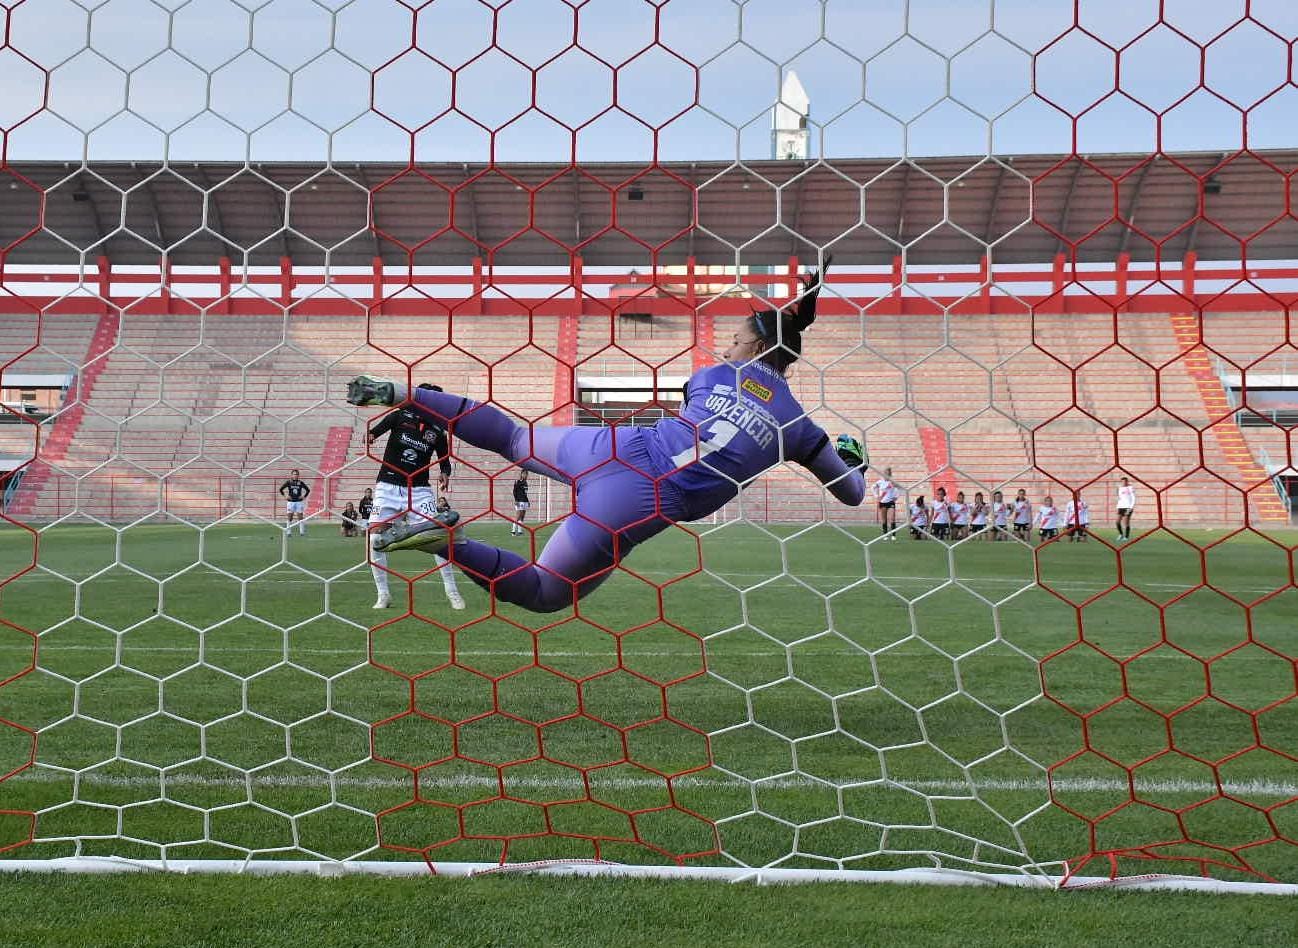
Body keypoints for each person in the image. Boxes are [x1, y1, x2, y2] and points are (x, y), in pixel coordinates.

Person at [347, 259, 865, 614]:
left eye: (735, 341)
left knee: (510, 437)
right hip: (640, 502)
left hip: (617, 447)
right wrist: (847, 460)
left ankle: (400, 389)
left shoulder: (710, 376)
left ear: (755, 348)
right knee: (547, 592)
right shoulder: (800, 428)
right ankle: (449, 543)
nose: (727, 348)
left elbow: (711, 411)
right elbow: (851, 494)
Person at [365, 384, 465, 611]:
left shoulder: (438, 431)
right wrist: (370, 436)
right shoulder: (400, 415)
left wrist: (445, 474)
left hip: (419, 491)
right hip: (388, 486)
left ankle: (452, 592)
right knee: (374, 539)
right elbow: (377, 429)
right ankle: (383, 595)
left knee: (438, 537)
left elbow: (445, 460)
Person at [278, 469, 310, 536]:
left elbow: (308, 490)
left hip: (299, 502)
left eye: (297, 474)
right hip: (291, 502)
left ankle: (302, 532)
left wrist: (304, 497)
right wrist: (285, 496)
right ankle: (288, 532)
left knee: (300, 517)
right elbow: (281, 489)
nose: (295, 475)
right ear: (291, 475)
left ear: (298, 475)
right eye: (294, 474)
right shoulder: (289, 482)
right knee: (290, 517)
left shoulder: (300, 483)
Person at [872, 466, 899, 539]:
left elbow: (897, 489)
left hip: (891, 502)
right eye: (886, 473)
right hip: (883, 502)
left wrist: (896, 497)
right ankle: (885, 535)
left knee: (892, 518)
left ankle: (893, 535)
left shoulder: (892, 482)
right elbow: (873, 487)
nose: (887, 474)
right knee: (884, 519)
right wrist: (876, 496)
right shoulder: (880, 482)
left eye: (888, 473)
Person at [1116, 476, 1136, 543]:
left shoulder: (1130, 488)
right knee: (1117, 522)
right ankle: (1121, 534)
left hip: (1128, 507)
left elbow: (1133, 498)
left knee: (1126, 522)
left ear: (1127, 482)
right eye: (1122, 482)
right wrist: (1118, 506)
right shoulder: (1119, 488)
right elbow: (1119, 497)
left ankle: (1126, 537)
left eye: (1125, 481)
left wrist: (1131, 507)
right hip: (1121, 507)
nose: (1124, 483)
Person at [511, 470, 530, 537]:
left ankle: (520, 531)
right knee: (518, 515)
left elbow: (525, 494)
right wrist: (516, 500)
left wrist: (528, 501)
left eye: (526, 474)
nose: (525, 475)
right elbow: (514, 491)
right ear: (521, 474)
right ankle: (513, 531)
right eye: (524, 474)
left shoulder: (525, 483)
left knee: (522, 517)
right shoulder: (518, 481)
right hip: (519, 501)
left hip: (524, 501)